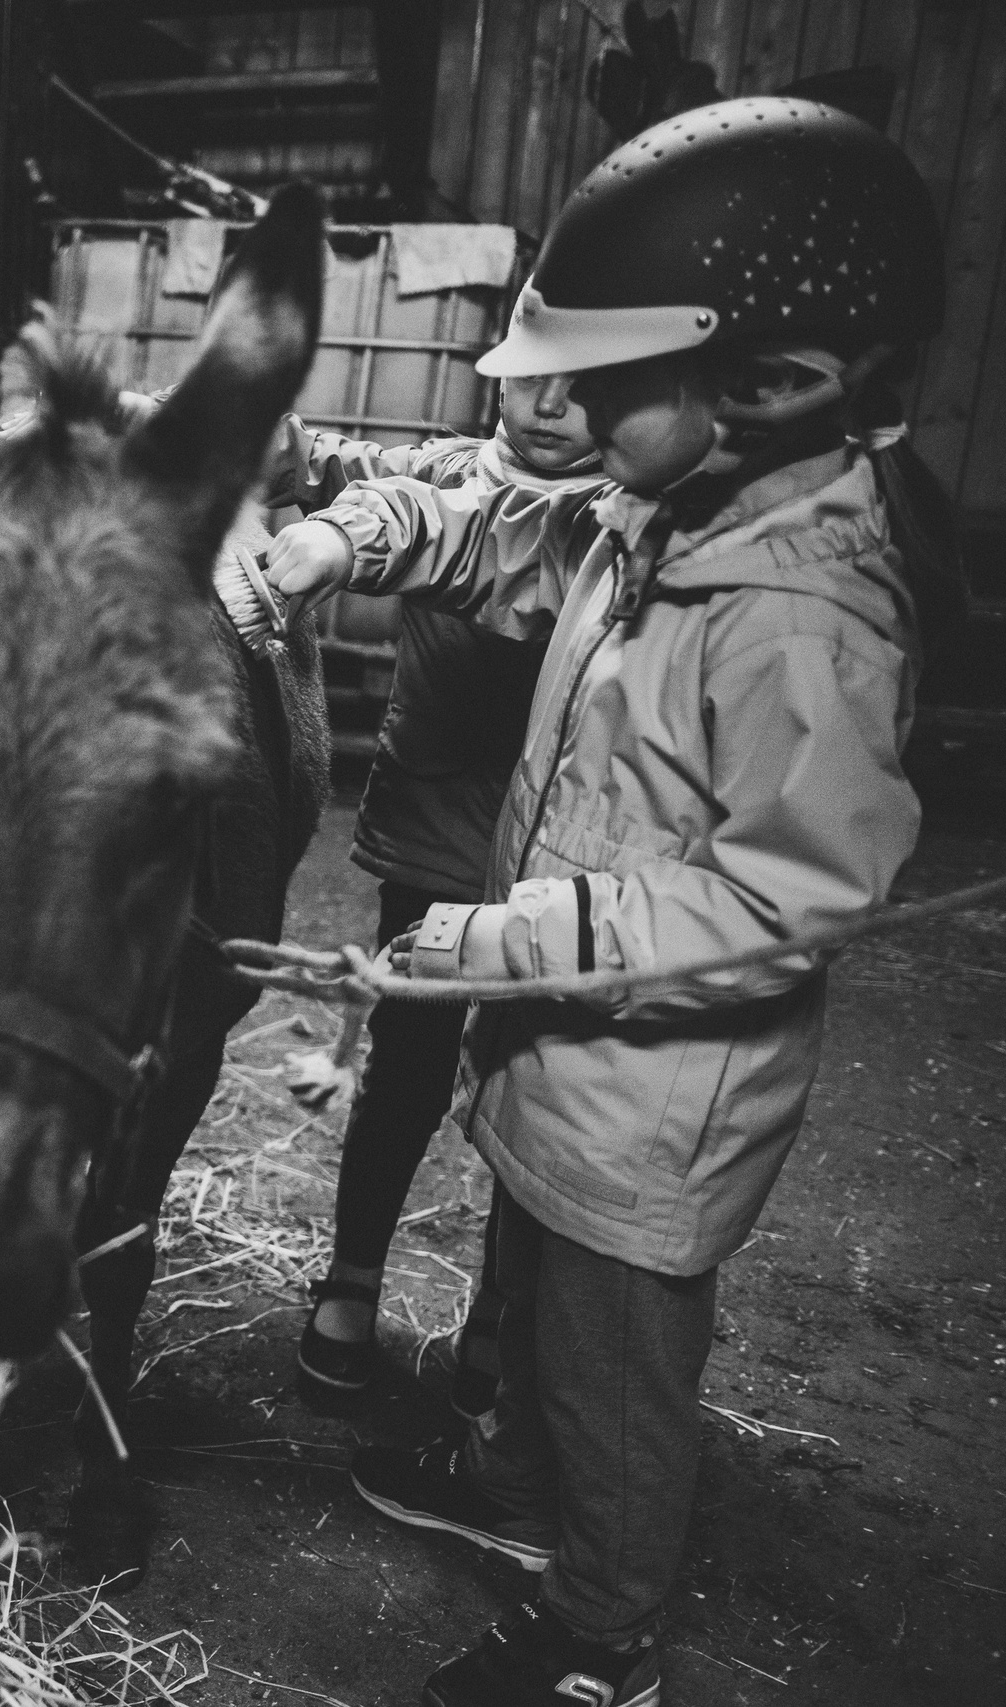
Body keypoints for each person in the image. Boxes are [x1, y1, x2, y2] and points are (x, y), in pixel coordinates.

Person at [262, 98, 958, 1707]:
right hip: (571, 1055)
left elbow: (783, 895)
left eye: (598, 379)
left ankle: (600, 1625)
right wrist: (335, 543)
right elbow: (498, 528)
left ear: (772, 386)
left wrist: (508, 940)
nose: (559, 408)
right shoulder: (667, 513)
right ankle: (515, 1487)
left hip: (655, 1096)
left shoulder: (799, 622)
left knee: (619, 1366)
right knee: (538, 1286)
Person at [250, 379, 603, 1419]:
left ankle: (498, 1307)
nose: (545, 405)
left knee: (532, 1075)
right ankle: (351, 1282)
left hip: (559, 859)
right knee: (405, 1061)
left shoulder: (620, 521)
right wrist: (146, 417)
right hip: (435, 841)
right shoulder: (444, 472)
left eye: (574, 389)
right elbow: (318, 460)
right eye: (526, 377)